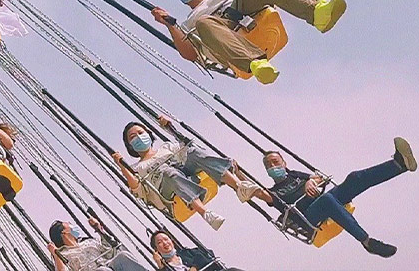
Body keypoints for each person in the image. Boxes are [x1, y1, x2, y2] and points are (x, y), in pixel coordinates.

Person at [150, 0, 346, 84]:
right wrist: (169, 23)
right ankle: (255, 63)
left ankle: (317, 13)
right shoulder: (188, 23)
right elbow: (191, 54)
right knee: (204, 23)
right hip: (221, 33)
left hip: (244, 12)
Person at [263, 138, 416, 258]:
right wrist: (237, 174)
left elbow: (316, 177)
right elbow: (251, 190)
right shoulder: (272, 192)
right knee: (326, 199)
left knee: (354, 178)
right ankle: (367, 242)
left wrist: (309, 182)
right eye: (269, 165)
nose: (273, 166)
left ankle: (399, 164)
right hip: (310, 218)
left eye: (275, 162)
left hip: (323, 202)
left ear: (284, 162)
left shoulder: (294, 174)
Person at [113, 116, 272, 231]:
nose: (139, 137)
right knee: (169, 172)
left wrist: (170, 128)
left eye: (141, 132)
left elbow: (188, 147)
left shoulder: (167, 148)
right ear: (129, 145)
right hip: (168, 193)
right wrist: (123, 167)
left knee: (194, 152)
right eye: (133, 137)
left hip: (186, 175)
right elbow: (137, 190)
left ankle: (239, 186)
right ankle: (205, 213)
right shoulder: (136, 167)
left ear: (148, 133)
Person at [48, 217, 149, 271]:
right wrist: (55, 254)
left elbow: (111, 252)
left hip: (109, 264)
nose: (73, 226)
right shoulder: (63, 255)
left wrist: (99, 230)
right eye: (69, 225)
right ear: (64, 232)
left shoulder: (89, 241)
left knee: (123, 256)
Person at [150, 230, 241, 271]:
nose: (165, 243)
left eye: (166, 239)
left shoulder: (186, 253)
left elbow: (207, 254)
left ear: (171, 241)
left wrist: (195, 267)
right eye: (159, 242)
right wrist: (160, 265)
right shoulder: (165, 268)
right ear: (156, 249)